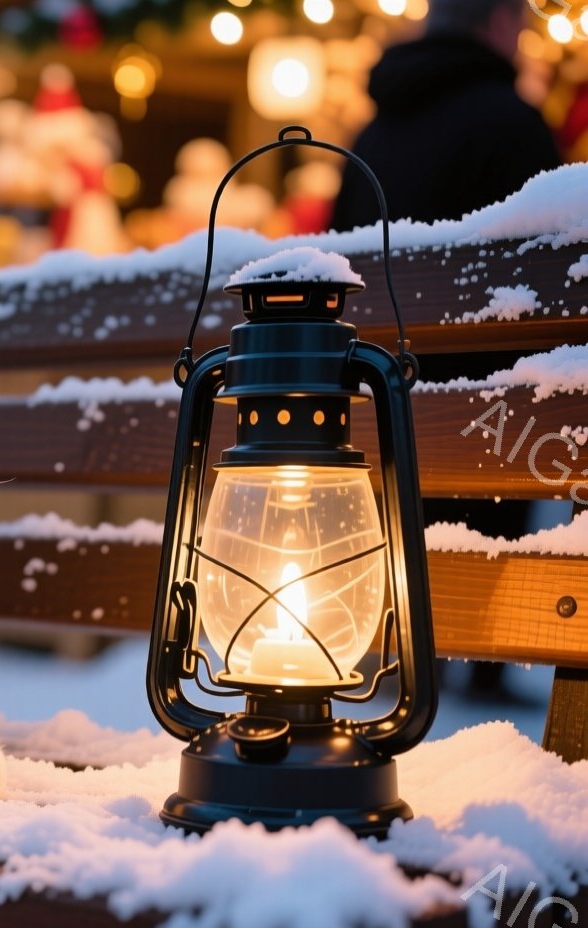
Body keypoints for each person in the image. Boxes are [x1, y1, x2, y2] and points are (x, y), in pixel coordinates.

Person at [331, 0, 562, 700]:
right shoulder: (513, 125)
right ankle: (486, 660)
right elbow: (552, 286)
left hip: (379, 418)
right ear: (498, 24)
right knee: (517, 404)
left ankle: (403, 647)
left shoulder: (370, 134)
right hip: (489, 434)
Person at [330, 0, 560, 229]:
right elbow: (557, 249)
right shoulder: (515, 125)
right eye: (521, 24)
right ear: (501, 21)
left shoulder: (369, 139)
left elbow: (339, 250)